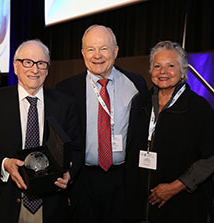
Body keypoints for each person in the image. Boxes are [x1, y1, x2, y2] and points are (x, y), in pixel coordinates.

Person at [0, 39, 83, 223]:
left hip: (51, 207)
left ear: (47, 69)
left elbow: (77, 149)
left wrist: (69, 174)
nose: (35, 69)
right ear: (16, 66)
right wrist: (5, 164)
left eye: (41, 64)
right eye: (28, 62)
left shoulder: (65, 104)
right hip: (4, 205)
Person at [56, 24, 148, 223]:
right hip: (82, 180)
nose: (97, 55)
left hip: (123, 180)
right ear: (82, 53)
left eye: (104, 48)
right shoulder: (65, 89)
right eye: (91, 49)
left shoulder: (136, 85)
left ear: (115, 51)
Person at [126, 40, 214, 223]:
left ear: (182, 72)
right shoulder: (140, 103)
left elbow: (213, 154)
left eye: (171, 65)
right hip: (139, 206)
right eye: (157, 66)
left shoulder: (198, 108)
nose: (163, 71)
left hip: (182, 205)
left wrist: (176, 186)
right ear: (150, 71)